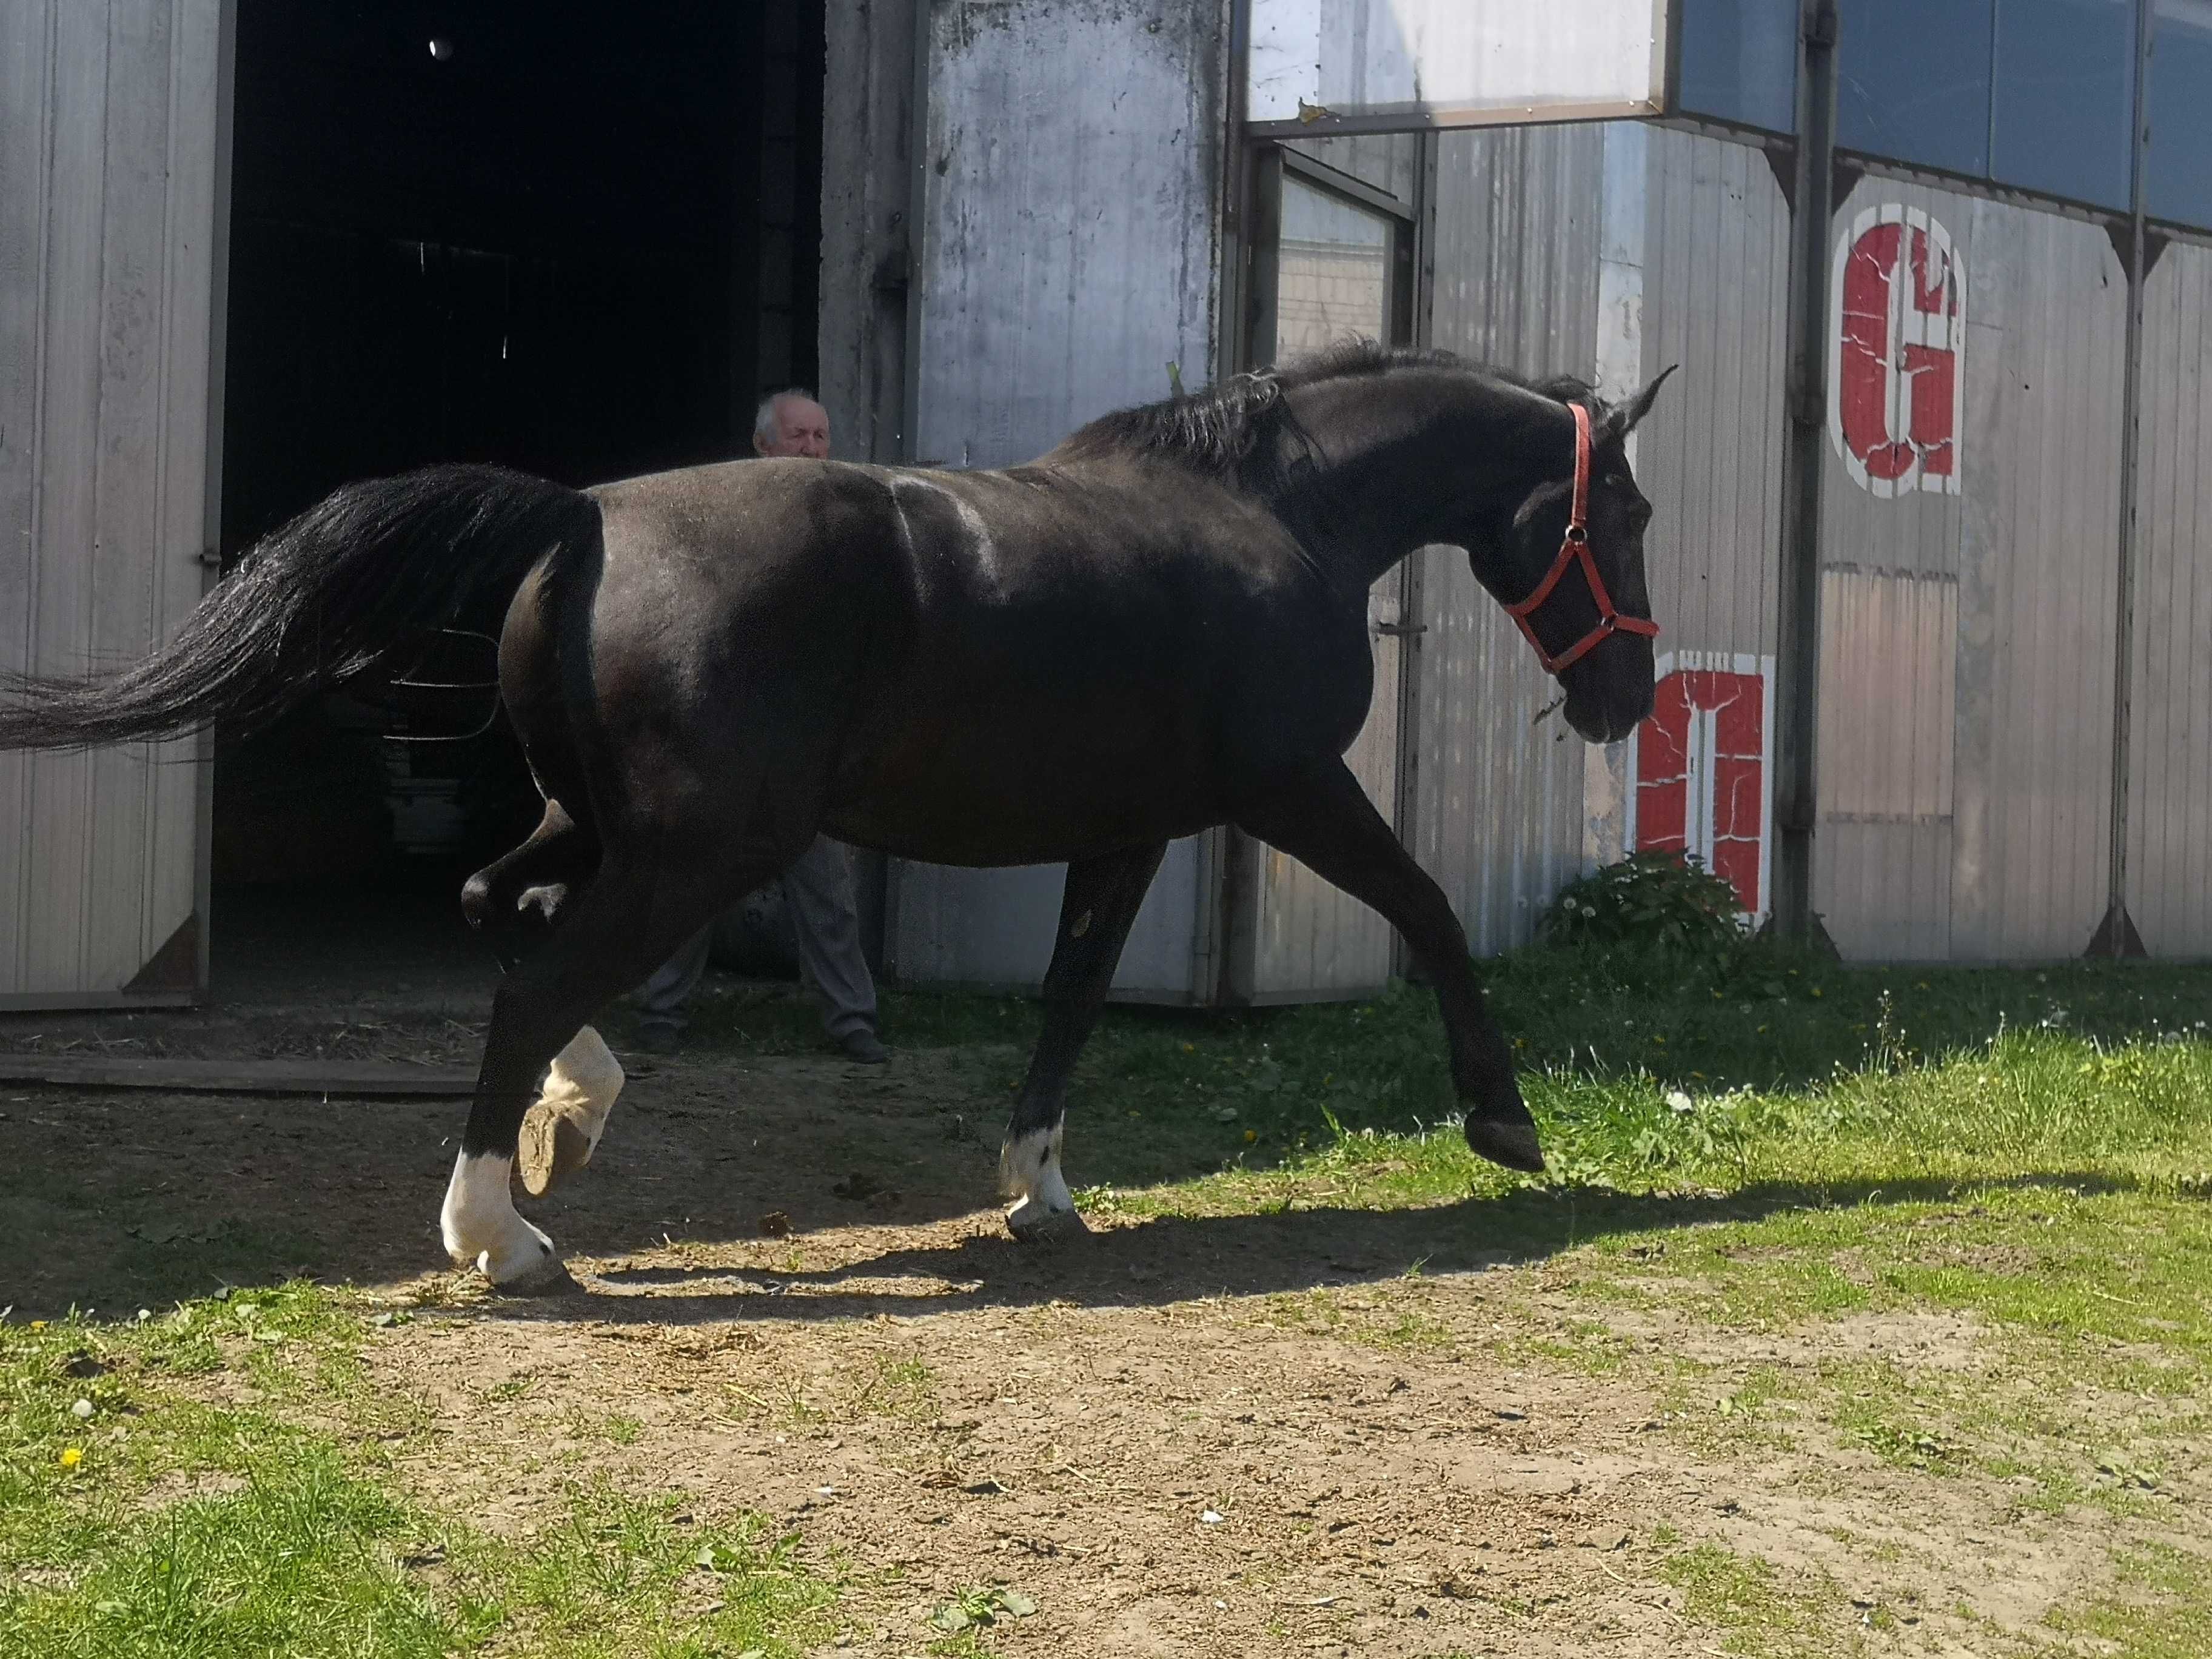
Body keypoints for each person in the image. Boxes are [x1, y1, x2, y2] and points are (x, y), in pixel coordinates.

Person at [630, 389, 887, 1064]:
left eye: (820, 436)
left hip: (801, 745)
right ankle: (661, 1016)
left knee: (827, 890)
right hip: (722, 741)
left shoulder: (845, 528)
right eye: (798, 436)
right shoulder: (724, 519)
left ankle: (853, 1024)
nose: (811, 449)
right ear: (764, 447)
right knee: (691, 877)